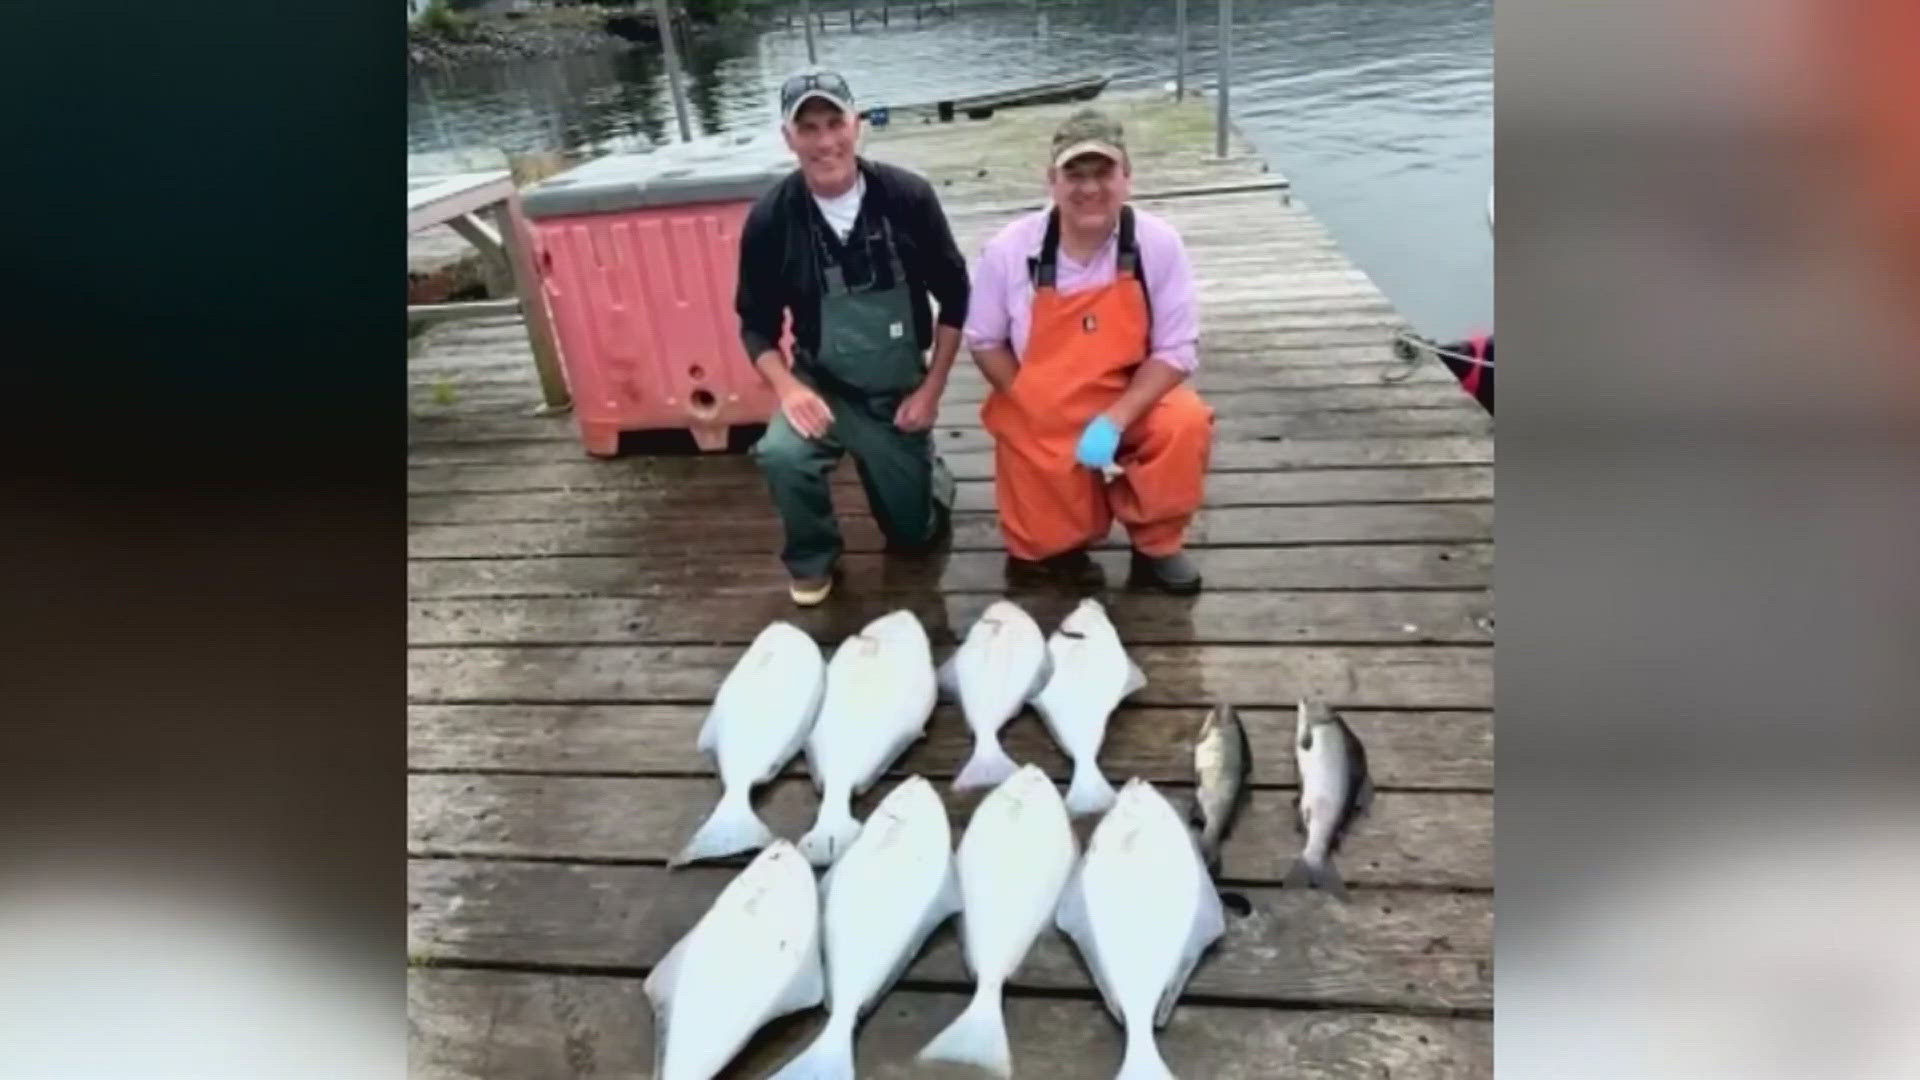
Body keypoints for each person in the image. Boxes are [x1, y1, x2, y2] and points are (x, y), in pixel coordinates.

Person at [736, 71, 971, 606]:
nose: (825, 142)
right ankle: (813, 557)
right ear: (787, 138)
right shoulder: (771, 219)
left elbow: (957, 299)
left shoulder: (908, 197)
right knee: (780, 454)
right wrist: (789, 390)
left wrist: (930, 391)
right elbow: (755, 324)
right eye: (808, 128)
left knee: (915, 537)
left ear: (857, 125)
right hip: (822, 386)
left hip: (897, 394)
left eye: (835, 122)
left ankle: (923, 471)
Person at [962, 108, 1214, 593]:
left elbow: (1177, 350)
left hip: (1132, 397)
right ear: (1052, 181)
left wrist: (1116, 418)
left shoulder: (1157, 244)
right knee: (1040, 549)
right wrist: (1027, 397)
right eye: (1074, 174)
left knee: (1183, 422)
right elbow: (985, 340)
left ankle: (1156, 544)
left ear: (1127, 178)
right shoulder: (1010, 250)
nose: (1090, 188)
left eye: (1104, 172)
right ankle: (1059, 536)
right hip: (1045, 401)